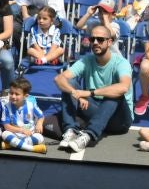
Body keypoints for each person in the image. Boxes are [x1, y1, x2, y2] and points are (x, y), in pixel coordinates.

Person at [54, 23, 134, 153]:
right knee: (69, 84)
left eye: (100, 39)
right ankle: (70, 131)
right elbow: (59, 79)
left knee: (115, 94)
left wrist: (88, 93)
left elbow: (123, 87)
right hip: (96, 110)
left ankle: (88, 135)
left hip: (119, 120)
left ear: (109, 42)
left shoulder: (121, 63)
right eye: (92, 39)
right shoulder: (87, 60)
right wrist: (76, 93)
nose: (95, 42)